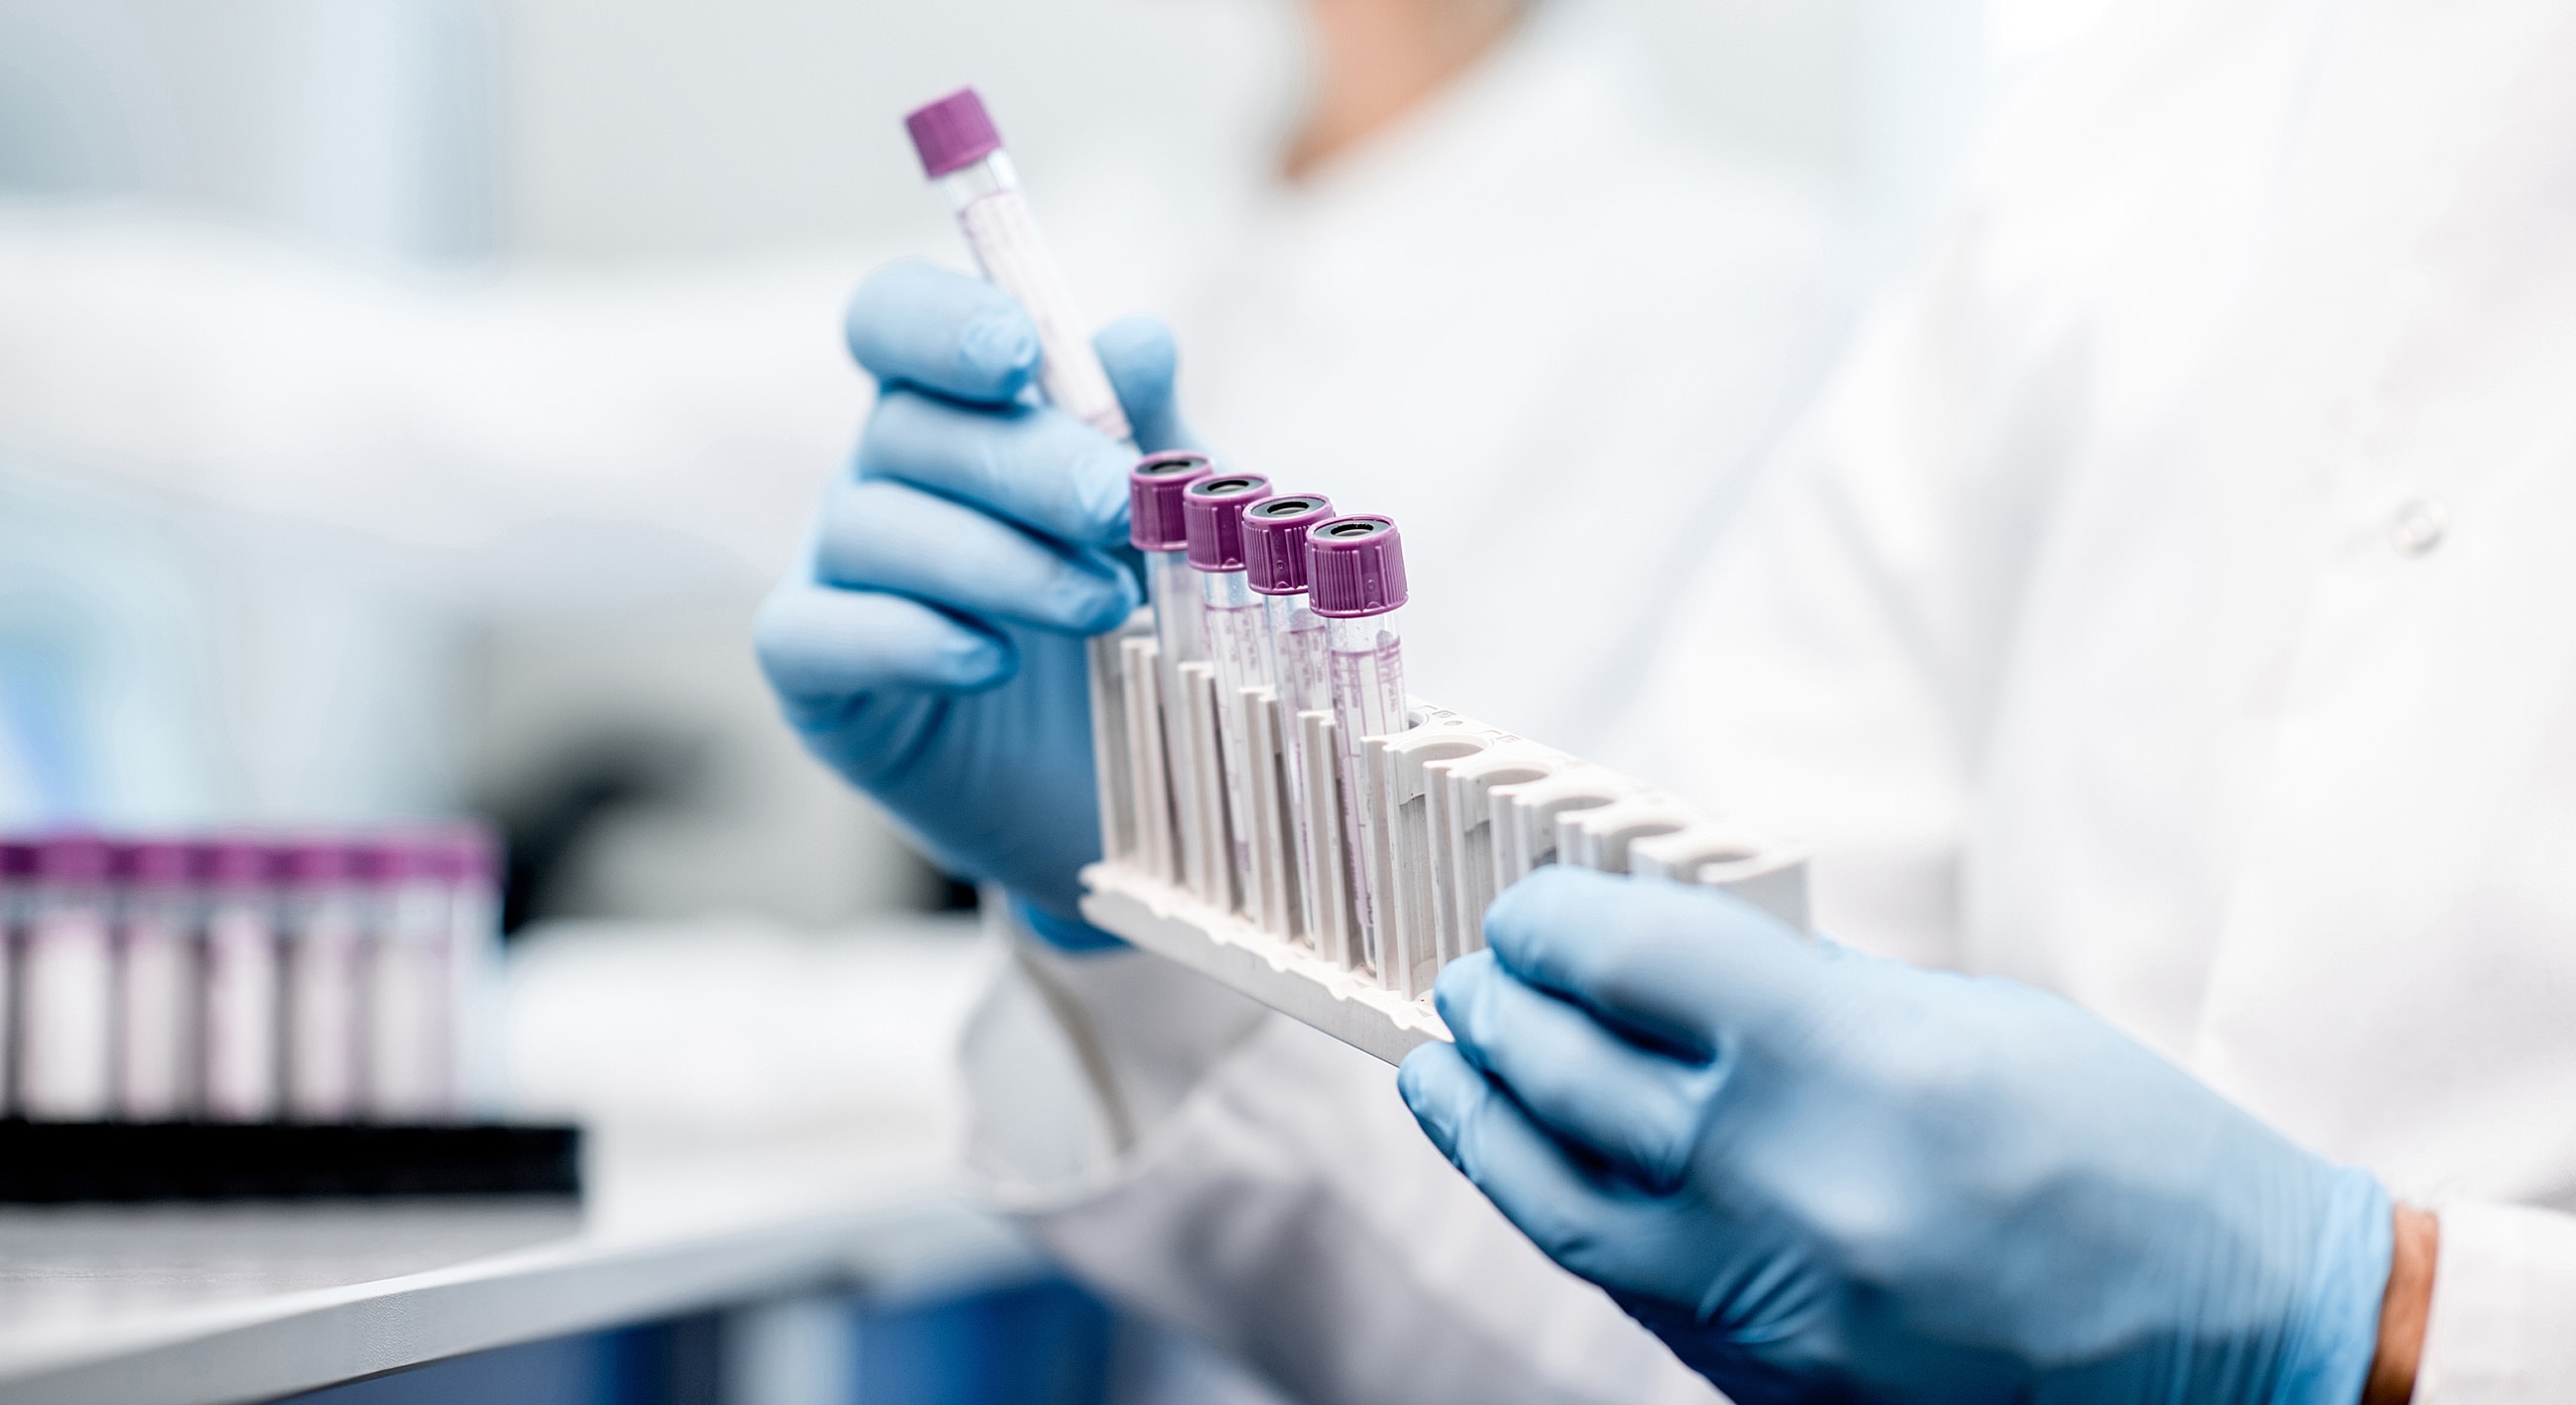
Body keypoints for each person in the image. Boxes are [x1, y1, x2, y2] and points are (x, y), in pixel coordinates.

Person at [766, 0, 2576, 1400]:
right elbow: (1628, 1246)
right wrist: (1154, 874)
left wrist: (2401, 1320)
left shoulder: (1726, 269)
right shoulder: (2125, 137)